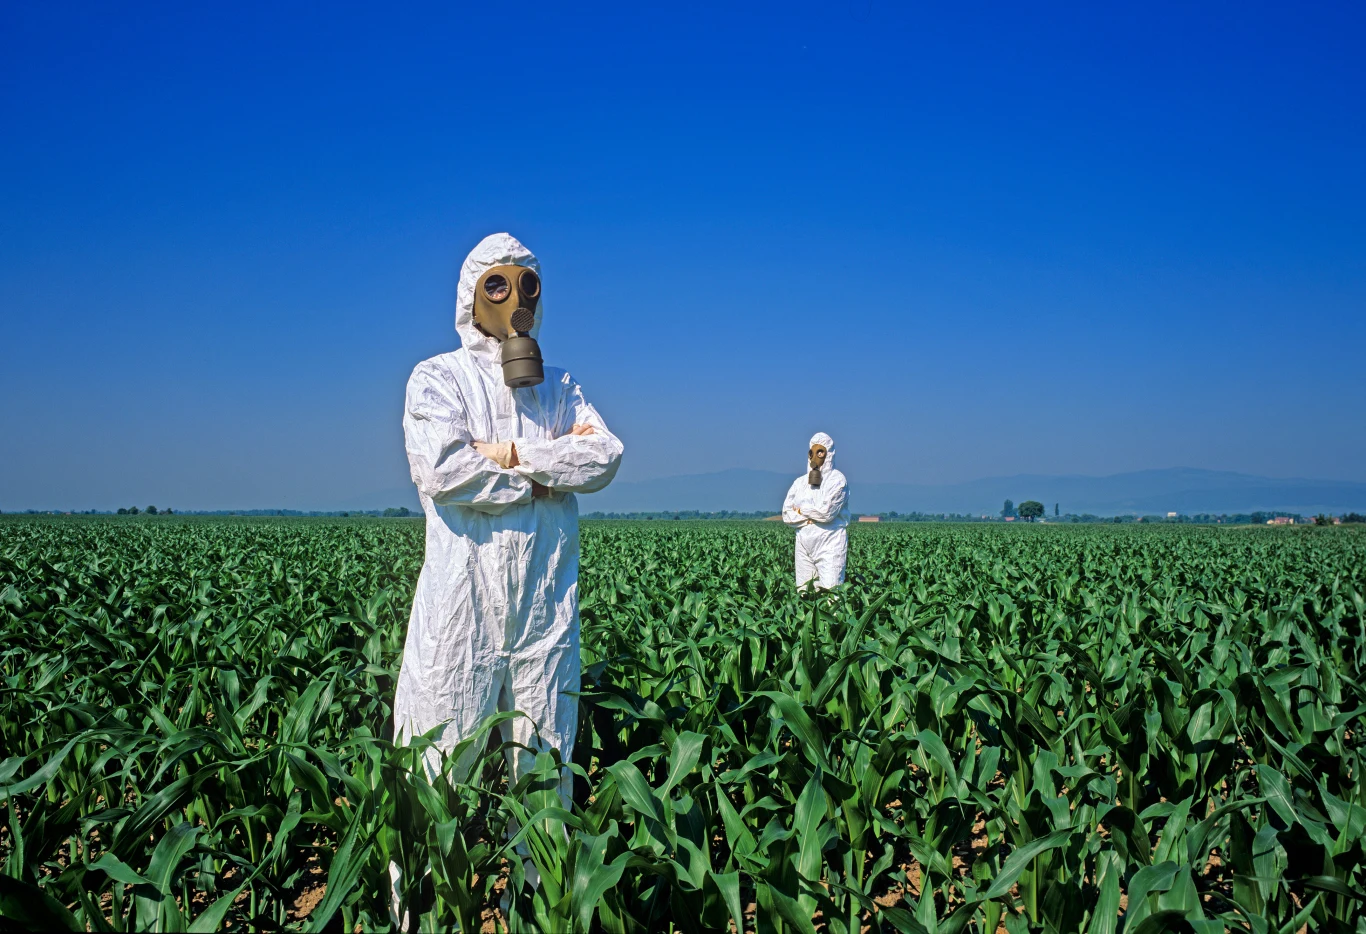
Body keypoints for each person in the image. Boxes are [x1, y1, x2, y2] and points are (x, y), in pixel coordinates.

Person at [391, 233, 623, 909]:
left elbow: (604, 458)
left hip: (544, 611)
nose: (515, 299)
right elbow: (446, 470)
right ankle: (425, 915)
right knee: (439, 768)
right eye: (499, 284)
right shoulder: (437, 378)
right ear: (471, 295)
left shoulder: (562, 387)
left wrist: (513, 452)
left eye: (529, 285)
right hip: (460, 612)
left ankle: (532, 909)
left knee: (546, 771)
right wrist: (544, 471)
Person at [781, 431, 849, 590]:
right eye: (812, 452)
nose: (815, 457)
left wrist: (801, 509)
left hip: (830, 543)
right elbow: (786, 513)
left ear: (829, 454)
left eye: (820, 452)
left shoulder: (837, 480)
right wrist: (810, 517)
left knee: (832, 594)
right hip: (803, 544)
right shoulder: (800, 483)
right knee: (804, 592)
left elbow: (826, 513)